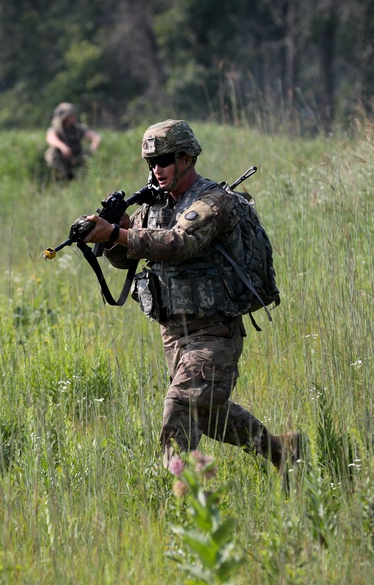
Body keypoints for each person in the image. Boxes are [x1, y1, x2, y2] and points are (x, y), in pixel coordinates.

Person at [76, 119, 299, 477]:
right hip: (175, 333)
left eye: (163, 160)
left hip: (215, 330)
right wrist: (106, 232)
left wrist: (117, 233)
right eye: (151, 162)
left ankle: (183, 495)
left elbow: (180, 243)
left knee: (180, 406)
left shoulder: (213, 202)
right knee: (210, 415)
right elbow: (125, 256)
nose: (156, 169)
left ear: (186, 158)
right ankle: (282, 450)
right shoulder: (153, 207)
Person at [44, 102, 101, 181]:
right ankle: (62, 176)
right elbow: (50, 138)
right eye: (72, 115)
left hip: (77, 157)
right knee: (51, 153)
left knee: (89, 154)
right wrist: (62, 146)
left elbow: (94, 136)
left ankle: (82, 176)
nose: (74, 117)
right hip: (63, 158)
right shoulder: (56, 130)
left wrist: (94, 144)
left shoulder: (78, 128)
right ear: (66, 117)